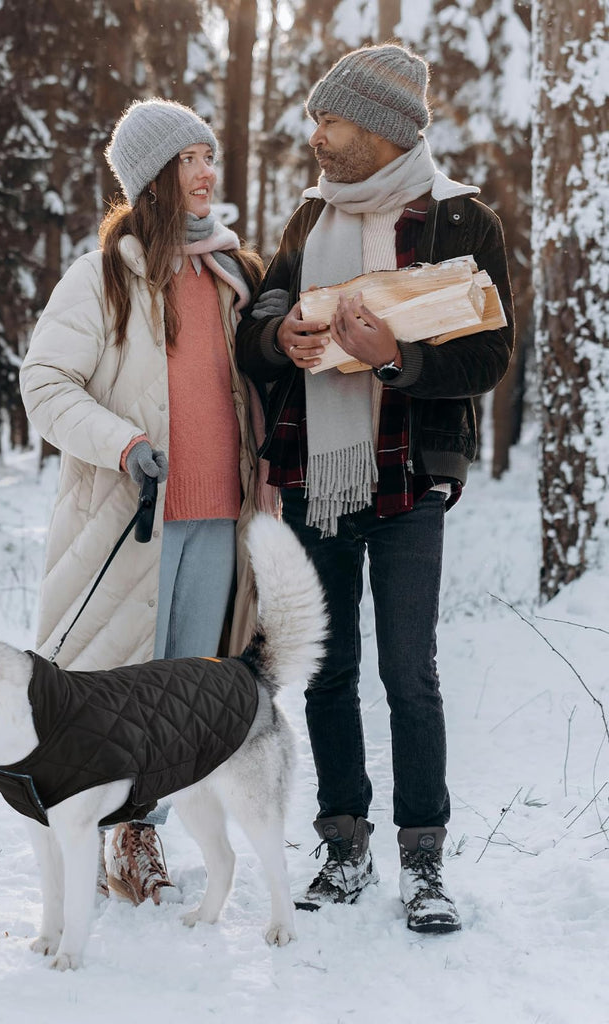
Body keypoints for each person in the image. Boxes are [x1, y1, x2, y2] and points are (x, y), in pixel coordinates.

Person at [237, 44, 513, 934]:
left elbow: (488, 353)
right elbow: (260, 315)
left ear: (384, 128)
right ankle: (345, 843)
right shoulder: (308, 219)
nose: (316, 134)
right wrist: (286, 339)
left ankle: (424, 863)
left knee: (410, 675)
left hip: (411, 476)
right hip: (317, 471)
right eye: (317, 118)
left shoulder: (463, 221)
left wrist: (393, 357)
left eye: (332, 119)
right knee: (329, 672)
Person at [19, 98, 264, 906]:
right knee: (112, 688)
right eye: (190, 160)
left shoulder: (233, 274)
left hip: (219, 521)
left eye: (207, 156)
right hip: (134, 521)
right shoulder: (102, 278)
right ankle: (91, 835)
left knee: (181, 705)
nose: (205, 173)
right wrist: (122, 442)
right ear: (154, 178)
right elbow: (45, 383)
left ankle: (138, 838)